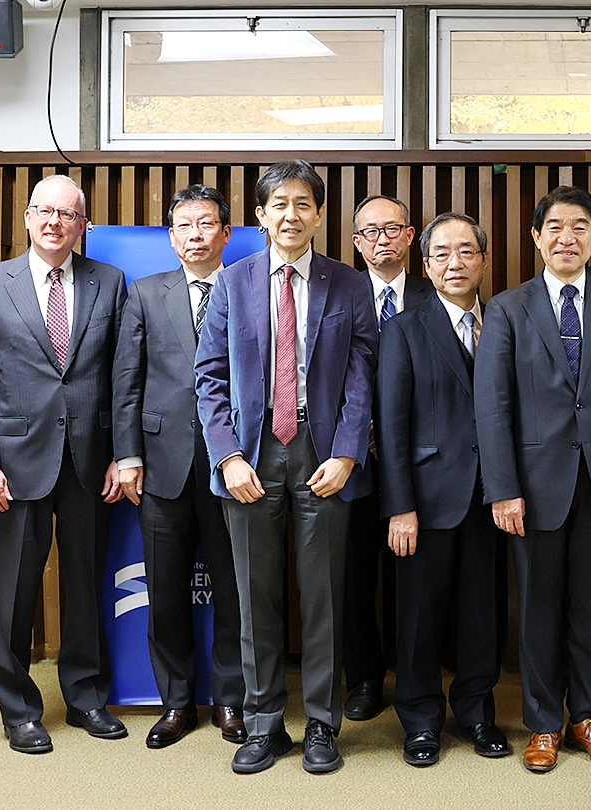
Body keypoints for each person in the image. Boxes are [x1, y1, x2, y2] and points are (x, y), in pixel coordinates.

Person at [194, 160, 379, 774]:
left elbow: (362, 376)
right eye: (280, 204)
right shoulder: (233, 281)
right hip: (250, 456)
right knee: (256, 598)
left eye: (303, 204)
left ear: (320, 215)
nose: (291, 215)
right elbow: (209, 376)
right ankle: (264, 723)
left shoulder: (348, 284)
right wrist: (227, 456)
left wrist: (347, 452)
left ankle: (322, 724)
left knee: (324, 598)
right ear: (261, 215)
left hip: (322, 454)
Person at [474, 185, 591, 774]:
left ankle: (588, 718)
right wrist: (502, 488)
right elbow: (492, 408)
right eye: (555, 227)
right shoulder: (508, 309)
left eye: (580, 227)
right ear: (536, 237)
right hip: (532, 485)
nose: (567, 238)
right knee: (538, 609)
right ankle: (544, 723)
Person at [0, 173, 128, 754]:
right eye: (44, 211)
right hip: (14, 463)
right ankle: (18, 710)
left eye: (67, 213)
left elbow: (121, 376)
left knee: (86, 585)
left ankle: (85, 698)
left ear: (83, 224)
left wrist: (120, 453)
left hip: (90, 462)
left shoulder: (109, 281)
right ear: (28, 217)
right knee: (13, 592)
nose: (55, 222)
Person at [112, 184, 246, 748]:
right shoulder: (145, 293)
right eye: (185, 225)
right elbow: (127, 380)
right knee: (166, 592)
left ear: (226, 232)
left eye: (206, 223)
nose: (196, 234)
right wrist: (127, 455)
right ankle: (176, 702)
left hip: (233, 465)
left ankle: (232, 700)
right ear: (171, 236)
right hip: (161, 464)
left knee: (236, 591)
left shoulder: (249, 288)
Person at [379, 213, 509, 767]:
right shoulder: (404, 329)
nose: (455, 263)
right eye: (442, 254)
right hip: (426, 499)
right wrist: (400, 507)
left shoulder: (504, 322)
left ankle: (477, 711)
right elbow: (392, 427)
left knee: (483, 613)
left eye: (466, 252)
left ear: (484, 259)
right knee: (419, 617)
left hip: (493, 495)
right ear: (426, 265)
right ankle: (420, 718)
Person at [343, 193, 433, 722]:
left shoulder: (434, 291)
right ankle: (364, 678)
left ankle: (419, 677)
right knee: (354, 574)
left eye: (392, 229)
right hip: (352, 459)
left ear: (410, 235)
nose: (382, 239)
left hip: (422, 459)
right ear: (357, 242)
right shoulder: (339, 293)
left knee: (419, 575)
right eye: (371, 232)